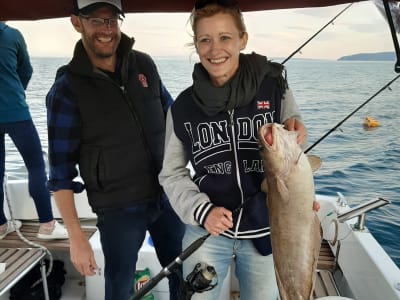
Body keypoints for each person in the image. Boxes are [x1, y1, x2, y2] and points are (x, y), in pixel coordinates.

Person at [159, 1, 318, 299]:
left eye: (225, 37)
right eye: (204, 39)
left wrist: (302, 193)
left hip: (267, 231)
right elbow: (171, 173)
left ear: (243, 39)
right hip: (207, 231)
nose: (214, 49)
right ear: (195, 44)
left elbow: (296, 148)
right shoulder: (181, 108)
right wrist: (201, 210)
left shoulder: (274, 87)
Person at [45, 1, 185, 299]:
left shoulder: (144, 64)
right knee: (119, 286)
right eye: (96, 20)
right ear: (76, 22)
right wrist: (76, 237)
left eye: (112, 20)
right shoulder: (67, 89)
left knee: (182, 272)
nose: (106, 29)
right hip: (118, 208)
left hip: (168, 195)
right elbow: (59, 173)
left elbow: (175, 119)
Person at [0, 21, 68, 240]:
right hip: (16, 113)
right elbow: (26, 70)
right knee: (36, 166)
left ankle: (0, 226)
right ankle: (47, 225)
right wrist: (15, 92)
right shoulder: (12, 35)